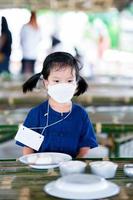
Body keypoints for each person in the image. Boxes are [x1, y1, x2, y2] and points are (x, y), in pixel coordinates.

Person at [16, 52, 98, 158]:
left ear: (76, 83)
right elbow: (28, 148)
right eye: (56, 81)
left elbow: (85, 146)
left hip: (70, 169)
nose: (63, 85)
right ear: (46, 83)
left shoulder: (81, 114)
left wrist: (75, 164)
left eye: (69, 81)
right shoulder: (35, 113)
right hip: (41, 168)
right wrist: (33, 163)